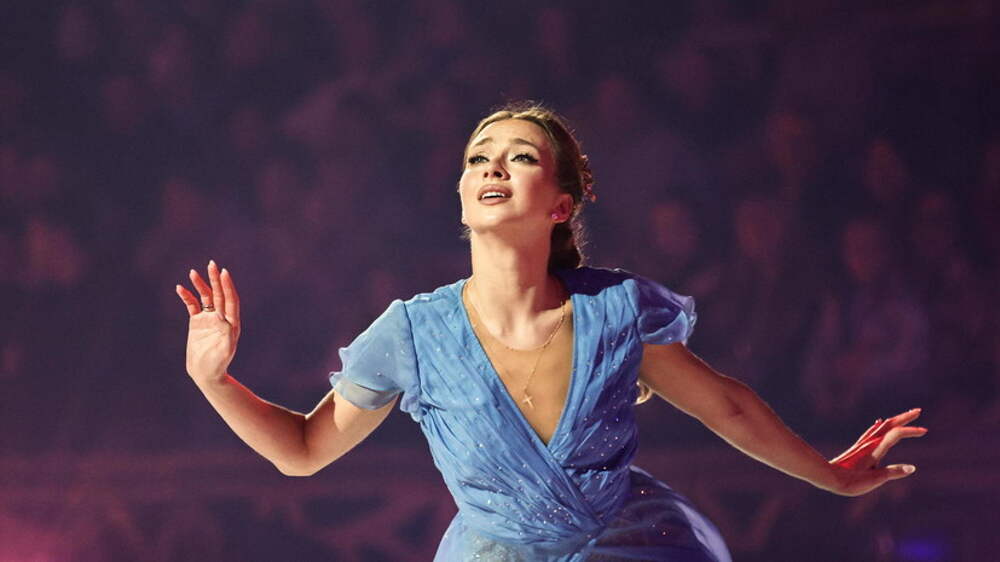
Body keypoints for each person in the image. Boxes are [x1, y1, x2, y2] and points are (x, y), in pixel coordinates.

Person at [175, 103, 927, 561]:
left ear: (561, 205)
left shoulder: (618, 311)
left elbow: (727, 407)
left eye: (521, 156)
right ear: (462, 197)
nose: (493, 166)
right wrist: (215, 381)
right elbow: (303, 452)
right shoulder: (412, 332)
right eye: (479, 158)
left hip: (630, 546)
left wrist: (830, 474)